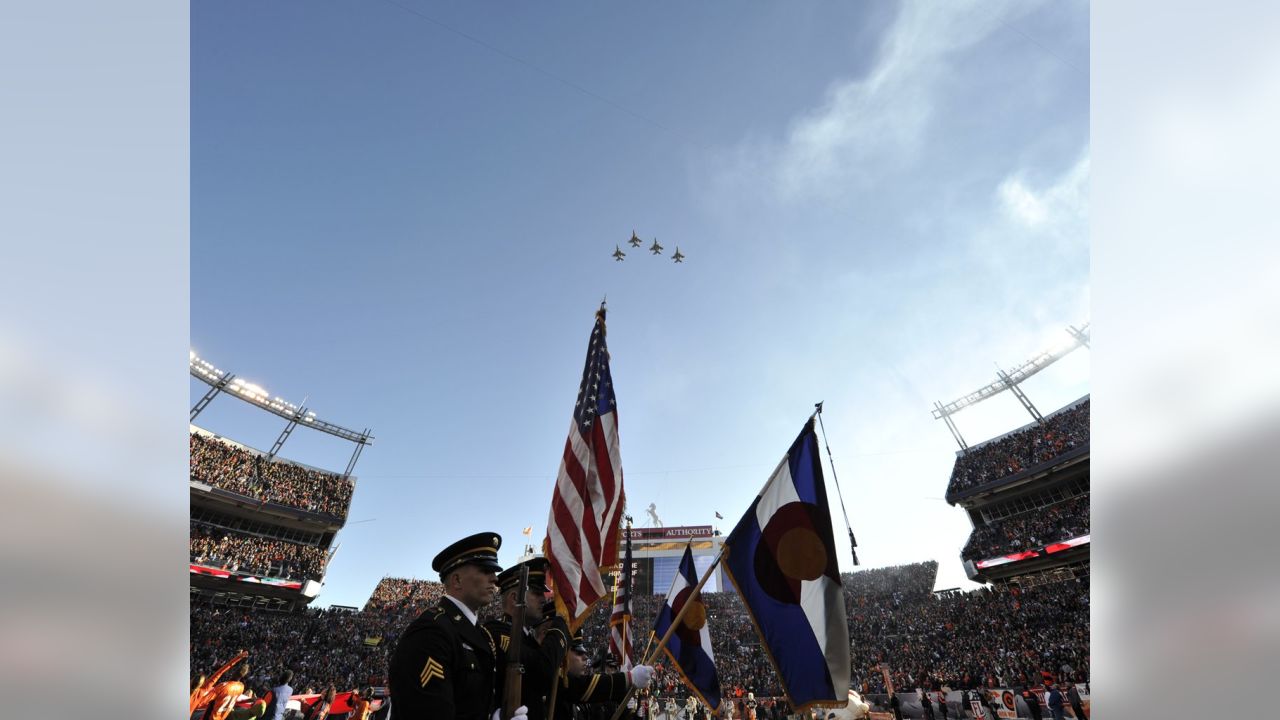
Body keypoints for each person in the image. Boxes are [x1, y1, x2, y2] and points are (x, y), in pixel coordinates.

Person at [388, 532, 527, 720]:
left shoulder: (483, 635)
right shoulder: (431, 632)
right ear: (457, 580)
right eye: (486, 570)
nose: (495, 579)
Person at [485, 558, 570, 720]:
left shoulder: (526, 637)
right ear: (515, 597)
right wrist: (561, 621)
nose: (544, 600)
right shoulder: (498, 632)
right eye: (537, 593)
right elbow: (543, 668)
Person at [192, 650, 250, 716]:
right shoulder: (241, 687)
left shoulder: (222, 687)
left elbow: (220, 672)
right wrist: (238, 658)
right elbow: (220, 672)